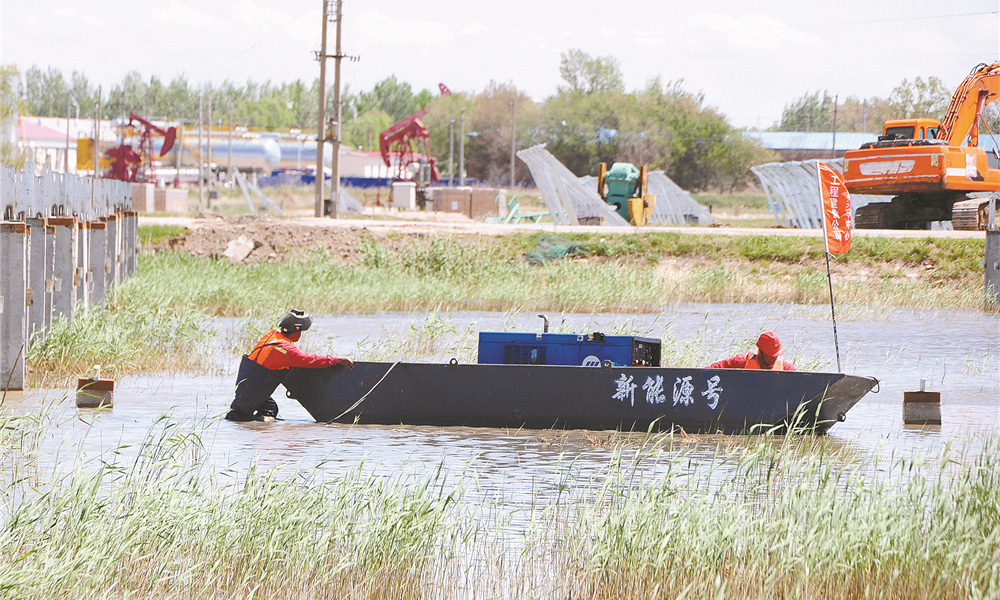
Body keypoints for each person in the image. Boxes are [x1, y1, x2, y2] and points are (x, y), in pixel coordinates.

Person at [225, 309, 354, 421]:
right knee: (238, 417)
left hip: (246, 384)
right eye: (301, 331)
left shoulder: (273, 335)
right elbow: (308, 360)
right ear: (296, 331)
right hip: (252, 391)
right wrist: (336, 360)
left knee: (270, 410)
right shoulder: (284, 349)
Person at [707, 331, 796, 371]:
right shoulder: (741, 361)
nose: (774, 358)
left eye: (776, 355)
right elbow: (712, 369)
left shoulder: (786, 368)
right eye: (770, 355)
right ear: (760, 352)